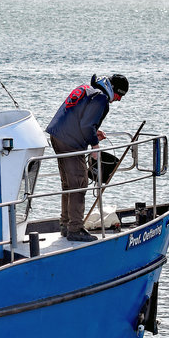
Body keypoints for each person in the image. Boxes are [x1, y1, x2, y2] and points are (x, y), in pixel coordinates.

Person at [44, 74, 129, 242]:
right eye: (121, 95)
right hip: (70, 141)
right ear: (116, 91)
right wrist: (95, 145)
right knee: (79, 183)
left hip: (57, 136)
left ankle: (65, 225)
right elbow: (86, 125)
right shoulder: (101, 98)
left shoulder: (87, 89)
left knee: (68, 183)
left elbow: (79, 119)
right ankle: (75, 229)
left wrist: (93, 134)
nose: (118, 100)